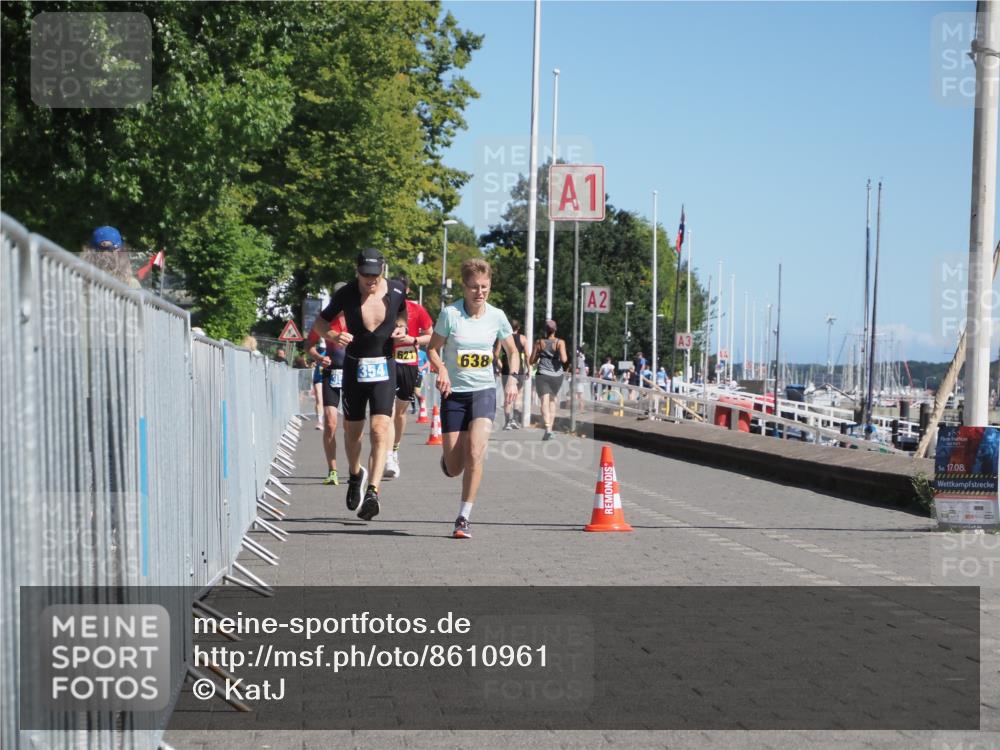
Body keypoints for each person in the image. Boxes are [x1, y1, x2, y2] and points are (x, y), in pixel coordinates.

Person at [310, 250, 407, 520]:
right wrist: (333, 334)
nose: (370, 280)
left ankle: (373, 492)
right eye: (365, 275)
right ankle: (355, 474)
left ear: (383, 271)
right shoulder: (347, 294)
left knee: (379, 429)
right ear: (357, 272)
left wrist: (400, 328)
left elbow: (402, 315)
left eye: (375, 275)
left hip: (384, 367)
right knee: (353, 432)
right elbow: (320, 321)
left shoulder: (397, 291)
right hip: (354, 367)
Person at [427, 258, 520, 539]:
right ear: (464, 287)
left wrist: (512, 378)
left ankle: (463, 517)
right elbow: (433, 349)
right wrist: (441, 368)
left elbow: (512, 351)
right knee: (455, 466)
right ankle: (448, 460)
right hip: (453, 394)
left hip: (483, 392)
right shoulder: (450, 314)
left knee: (476, 452)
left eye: (485, 287)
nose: (480, 292)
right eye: (474, 287)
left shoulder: (497, 316)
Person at [384, 275, 433, 480]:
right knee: (387, 410)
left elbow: (431, 335)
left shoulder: (417, 309)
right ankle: (386, 457)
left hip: (409, 363)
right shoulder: (382, 307)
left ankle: (394, 449)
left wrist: (412, 339)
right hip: (387, 361)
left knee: (400, 413)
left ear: (407, 291)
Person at [308, 282, 348, 486]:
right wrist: (318, 357)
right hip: (331, 373)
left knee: (351, 426)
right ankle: (332, 470)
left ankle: (355, 470)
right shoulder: (325, 320)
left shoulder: (358, 317)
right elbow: (310, 345)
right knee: (331, 423)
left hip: (353, 375)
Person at [529, 319, 568, 441]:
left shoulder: (539, 342)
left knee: (544, 402)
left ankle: (547, 428)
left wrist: (541, 354)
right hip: (557, 375)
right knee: (553, 401)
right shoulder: (560, 342)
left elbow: (531, 361)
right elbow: (564, 359)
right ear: (555, 329)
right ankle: (550, 428)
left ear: (545, 330)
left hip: (543, 375)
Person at [494, 319, 528, 430]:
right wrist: (529, 368)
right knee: (518, 395)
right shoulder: (523, 338)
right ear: (518, 328)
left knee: (507, 395)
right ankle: (515, 420)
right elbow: (527, 355)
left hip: (506, 369)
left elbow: (496, 354)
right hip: (519, 369)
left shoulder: (502, 338)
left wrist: (500, 366)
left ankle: (508, 421)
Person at [311, 340, 327, 429]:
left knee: (328, 401)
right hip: (319, 377)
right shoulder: (317, 350)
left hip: (330, 377)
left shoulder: (333, 348)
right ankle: (320, 422)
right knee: (319, 398)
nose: (323, 349)